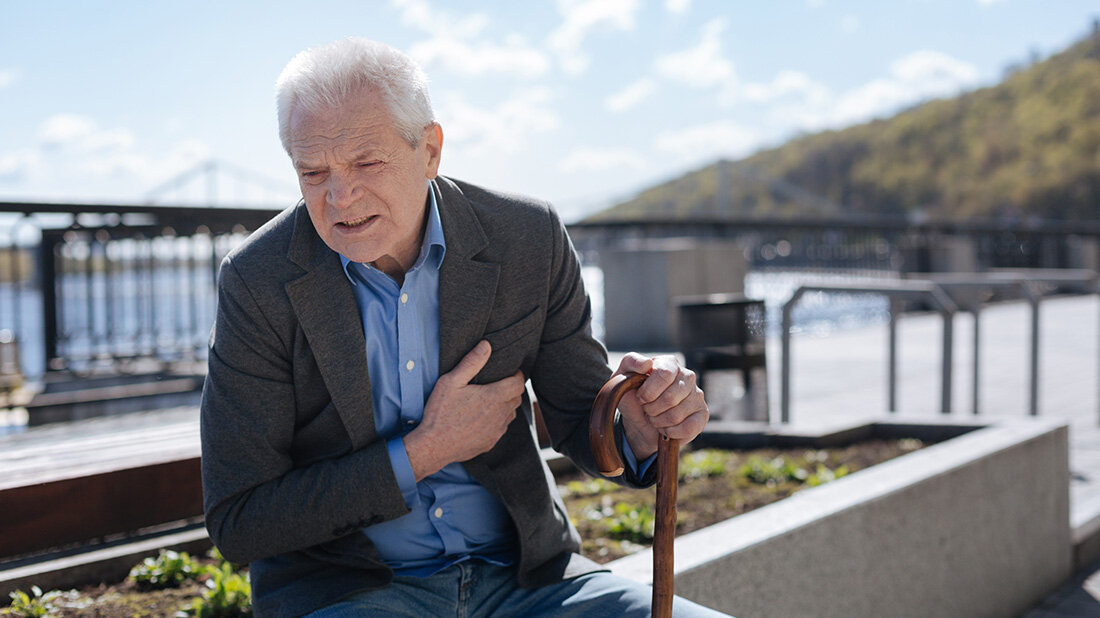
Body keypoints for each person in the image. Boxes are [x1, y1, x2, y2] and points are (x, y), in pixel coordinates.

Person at [200, 37, 722, 618]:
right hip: (351, 593)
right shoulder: (257, 280)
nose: (340, 197)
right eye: (313, 171)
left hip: (531, 583)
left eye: (367, 162)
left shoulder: (529, 236)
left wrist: (641, 432)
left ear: (429, 150)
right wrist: (424, 451)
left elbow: (582, 417)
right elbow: (240, 518)